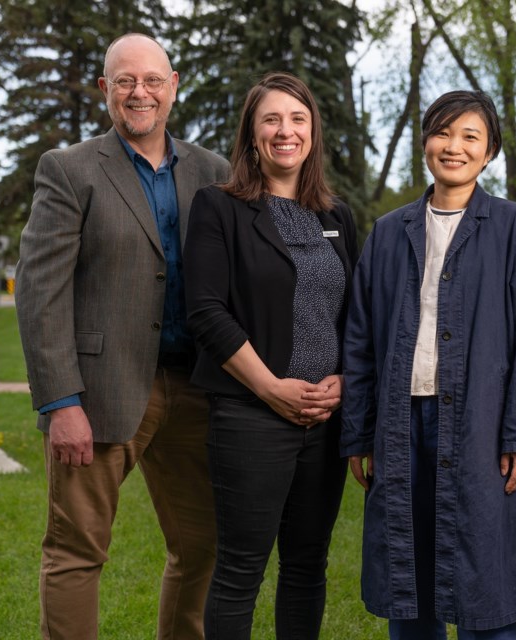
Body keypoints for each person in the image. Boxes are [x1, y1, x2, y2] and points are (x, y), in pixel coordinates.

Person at [15, 33, 230, 640]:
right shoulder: (69, 169)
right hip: (99, 393)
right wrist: (61, 403)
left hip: (196, 390)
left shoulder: (214, 172)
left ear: (174, 86)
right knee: (76, 551)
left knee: (202, 548)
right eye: (127, 81)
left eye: (153, 81)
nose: (141, 93)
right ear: (106, 90)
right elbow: (40, 291)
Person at [341, 90, 516, 639]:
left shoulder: (514, 230)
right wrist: (358, 434)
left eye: (470, 137)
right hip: (400, 424)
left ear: (489, 154)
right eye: (442, 133)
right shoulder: (389, 234)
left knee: (484, 575)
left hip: (481, 425)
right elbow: (361, 339)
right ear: (425, 143)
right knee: (407, 574)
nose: (453, 146)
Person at [182, 71, 358, 639]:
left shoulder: (338, 216)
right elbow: (207, 312)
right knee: (240, 572)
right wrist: (271, 388)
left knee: (307, 567)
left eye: (298, 119)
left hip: (325, 422)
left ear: (313, 133)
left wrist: (343, 380)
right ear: (252, 135)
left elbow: (357, 316)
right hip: (250, 417)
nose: (286, 131)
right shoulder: (220, 209)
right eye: (272, 120)